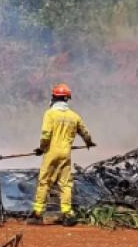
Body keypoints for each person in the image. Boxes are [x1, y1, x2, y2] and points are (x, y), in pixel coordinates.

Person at [28, 83, 95, 227]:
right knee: (65, 184)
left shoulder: (50, 113)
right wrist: (89, 142)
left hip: (51, 152)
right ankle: (67, 213)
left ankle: (37, 214)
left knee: (44, 181)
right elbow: (85, 132)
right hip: (66, 154)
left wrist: (41, 148)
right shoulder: (74, 116)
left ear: (53, 97)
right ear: (67, 99)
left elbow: (46, 135)